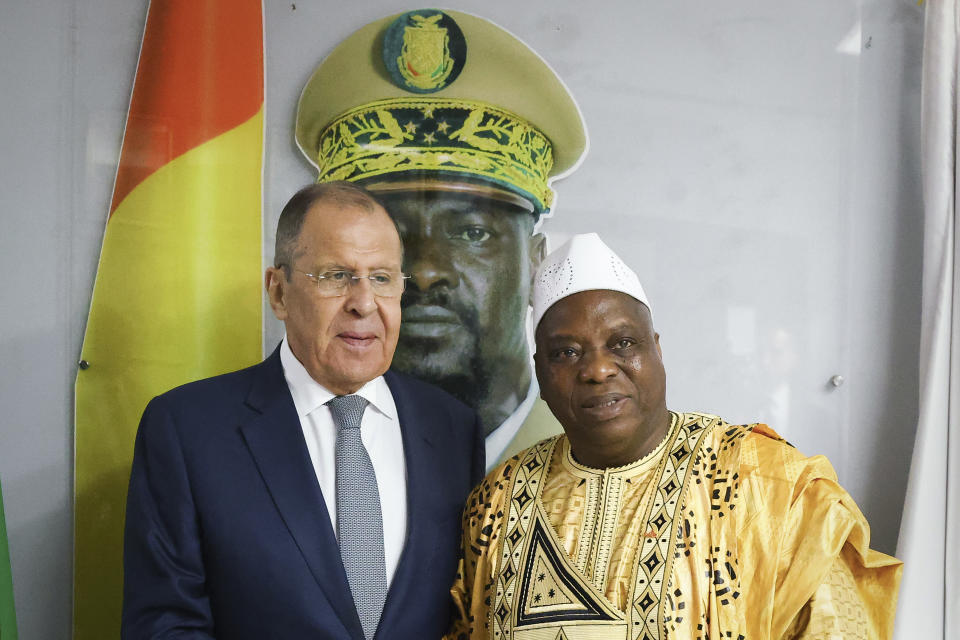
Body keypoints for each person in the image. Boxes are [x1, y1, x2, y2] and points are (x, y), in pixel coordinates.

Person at [447, 233, 902, 639]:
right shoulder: (499, 500)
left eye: (623, 343)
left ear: (657, 350)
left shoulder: (768, 485)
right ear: (541, 376)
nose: (599, 369)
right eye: (566, 352)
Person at [122, 182, 484, 639]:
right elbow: (165, 624)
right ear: (278, 292)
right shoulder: (187, 430)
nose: (364, 303)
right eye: (336, 276)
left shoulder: (452, 428)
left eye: (382, 278)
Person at [294, 8, 588, 467]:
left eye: (472, 232)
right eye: (390, 236)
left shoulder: (612, 473)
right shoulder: (277, 459)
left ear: (536, 263)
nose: (427, 269)